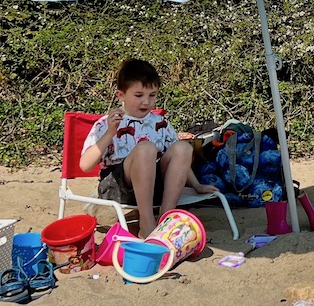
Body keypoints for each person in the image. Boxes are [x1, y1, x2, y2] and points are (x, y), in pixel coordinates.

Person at [80, 57, 215, 236]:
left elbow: (180, 160)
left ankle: (165, 218)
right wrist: (111, 133)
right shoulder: (106, 124)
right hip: (118, 187)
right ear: (120, 95)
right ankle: (147, 223)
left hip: (155, 187)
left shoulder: (160, 123)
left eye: (152, 95)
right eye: (139, 95)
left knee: (183, 147)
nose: (146, 102)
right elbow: (85, 165)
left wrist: (197, 185)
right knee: (146, 149)